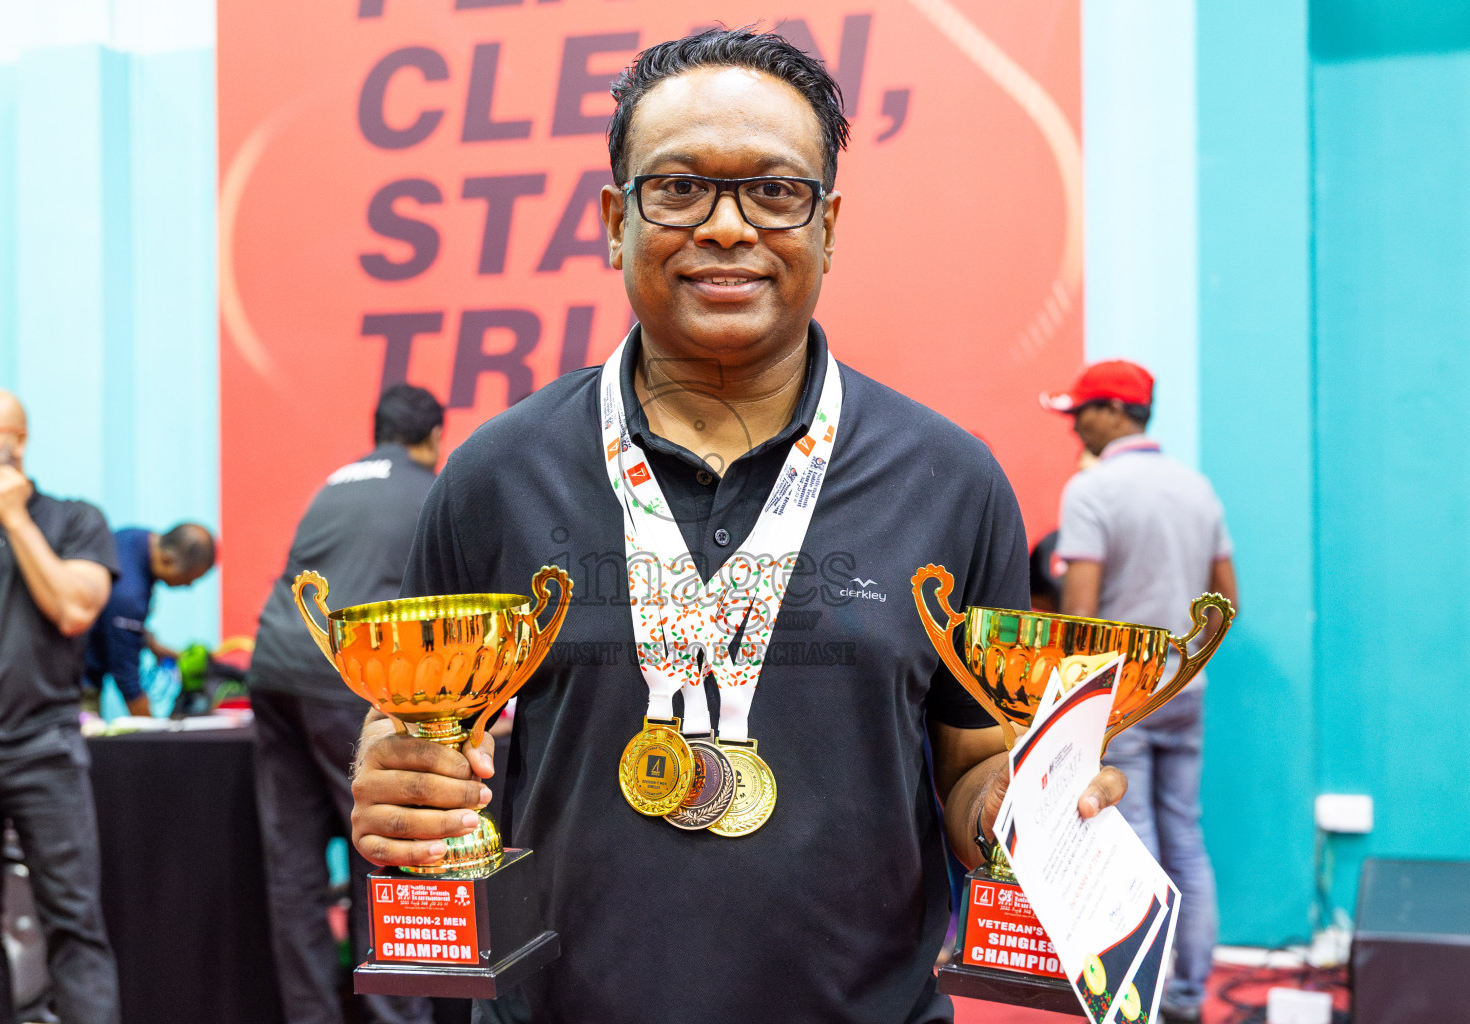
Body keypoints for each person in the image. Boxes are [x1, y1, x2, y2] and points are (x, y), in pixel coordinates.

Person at [349, 28, 1127, 1024]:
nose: (725, 227)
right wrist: (397, 775)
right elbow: (418, 721)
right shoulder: (495, 475)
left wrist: (1024, 812)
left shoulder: (949, 481)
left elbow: (974, 758)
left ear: (829, 226)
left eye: (774, 191)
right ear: (614, 221)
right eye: (679, 188)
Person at [1042, 359, 1239, 1024]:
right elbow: (1227, 604)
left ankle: (1142, 999)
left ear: (1114, 412)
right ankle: (1186, 995)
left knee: (1133, 842)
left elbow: (1081, 619)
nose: (1075, 427)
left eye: (1081, 412)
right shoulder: (1197, 487)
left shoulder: (1092, 489)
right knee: (1185, 834)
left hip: (1123, 695)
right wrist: (1180, 660)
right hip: (1187, 687)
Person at [248, 385, 445, 1024]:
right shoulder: (427, 488)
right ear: (434, 437)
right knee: (384, 848)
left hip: (274, 672)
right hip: (344, 680)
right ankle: (395, 1019)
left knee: (295, 867)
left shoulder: (334, 484)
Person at [0, 389, 121, 1024]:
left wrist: (14, 517)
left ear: (19, 437)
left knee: (74, 923)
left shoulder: (76, 521)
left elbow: (73, 610)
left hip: (43, 753)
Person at [82, 522, 217, 717]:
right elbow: (128, 681)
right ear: (168, 559)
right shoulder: (130, 595)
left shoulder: (136, 537)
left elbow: (109, 617)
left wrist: (153, 645)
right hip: (73, 682)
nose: (188, 585)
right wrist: (154, 730)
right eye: (189, 577)